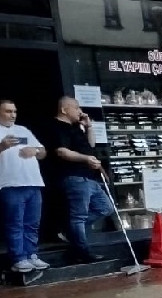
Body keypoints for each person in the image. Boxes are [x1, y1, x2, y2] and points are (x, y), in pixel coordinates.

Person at [46, 97, 108, 263]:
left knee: (104, 207)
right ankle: (81, 251)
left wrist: (88, 127)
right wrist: (86, 159)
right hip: (74, 176)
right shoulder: (57, 126)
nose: (80, 111)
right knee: (79, 216)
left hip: (90, 176)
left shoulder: (75, 127)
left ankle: (69, 231)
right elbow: (62, 152)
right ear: (64, 109)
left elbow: (91, 145)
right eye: (76, 107)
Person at [0, 100, 48, 273]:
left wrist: (34, 151)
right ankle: (18, 258)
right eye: (7, 111)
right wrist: (2, 146)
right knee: (15, 223)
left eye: (14, 111)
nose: (12, 115)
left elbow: (43, 152)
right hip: (10, 184)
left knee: (32, 223)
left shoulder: (22, 130)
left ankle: (32, 255)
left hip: (33, 182)